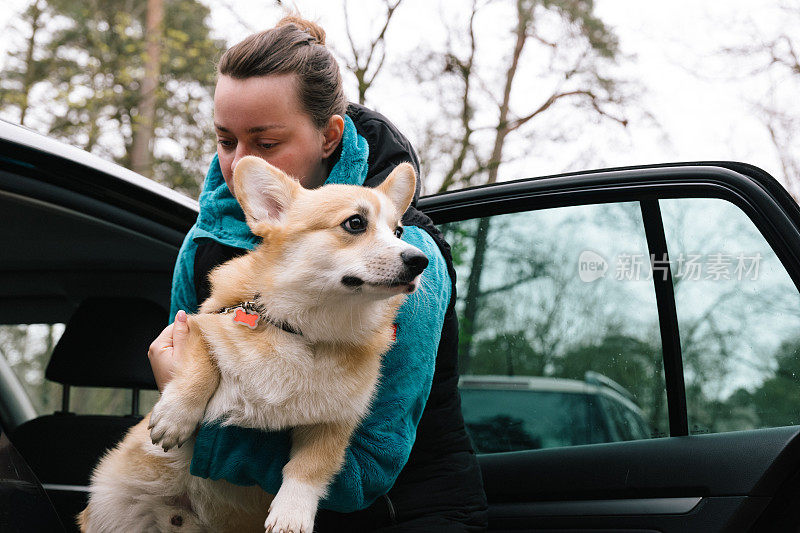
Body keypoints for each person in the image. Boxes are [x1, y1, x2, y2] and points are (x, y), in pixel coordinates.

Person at [147, 15, 487, 532]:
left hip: (397, 514)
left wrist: (206, 428)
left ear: (329, 136)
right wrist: (185, 390)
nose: (237, 163)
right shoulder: (205, 243)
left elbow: (363, 474)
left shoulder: (400, 258)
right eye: (225, 140)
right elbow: (186, 375)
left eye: (265, 143)